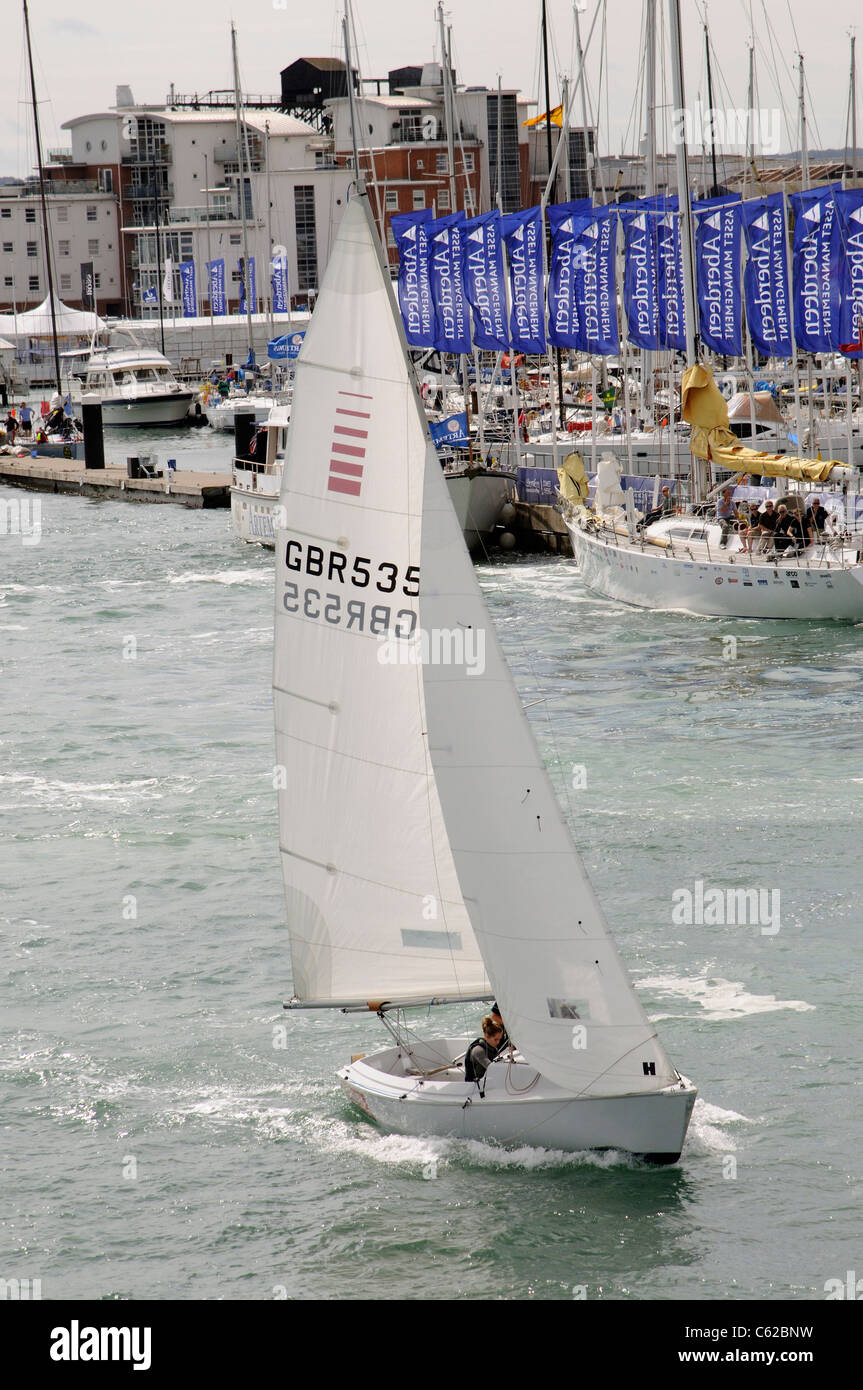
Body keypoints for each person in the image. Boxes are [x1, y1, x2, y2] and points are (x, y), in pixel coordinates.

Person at [464, 1015, 505, 1083]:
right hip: (474, 1086)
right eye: (496, 1039)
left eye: (499, 1040)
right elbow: (491, 1067)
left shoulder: (492, 1047)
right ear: (486, 1035)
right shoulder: (478, 1051)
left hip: (487, 1081)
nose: (498, 1042)